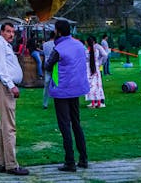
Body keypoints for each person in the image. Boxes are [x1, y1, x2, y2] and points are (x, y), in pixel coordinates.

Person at [45, 20, 90, 172]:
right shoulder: (79, 45)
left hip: (62, 90)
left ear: (57, 31)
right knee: (76, 124)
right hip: (76, 89)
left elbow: (48, 65)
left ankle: (69, 162)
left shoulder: (58, 48)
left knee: (65, 126)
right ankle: (83, 159)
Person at [0, 22, 29, 176]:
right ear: (2, 32)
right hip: (4, 87)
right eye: (8, 31)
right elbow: (2, 68)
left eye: (13, 32)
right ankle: (12, 165)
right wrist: (11, 85)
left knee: (3, 125)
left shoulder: (5, 45)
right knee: (9, 127)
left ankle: (1, 161)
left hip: (4, 86)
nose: (11, 34)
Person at [85, 36, 106, 108]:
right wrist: (99, 63)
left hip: (89, 69)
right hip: (96, 69)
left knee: (91, 86)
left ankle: (93, 103)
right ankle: (99, 103)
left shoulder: (87, 51)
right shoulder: (96, 50)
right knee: (98, 85)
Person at [42, 31, 56, 109]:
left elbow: (44, 53)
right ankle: (57, 101)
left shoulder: (45, 44)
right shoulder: (57, 44)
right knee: (56, 84)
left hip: (47, 64)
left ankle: (45, 103)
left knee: (46, 84)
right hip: (55, 65)